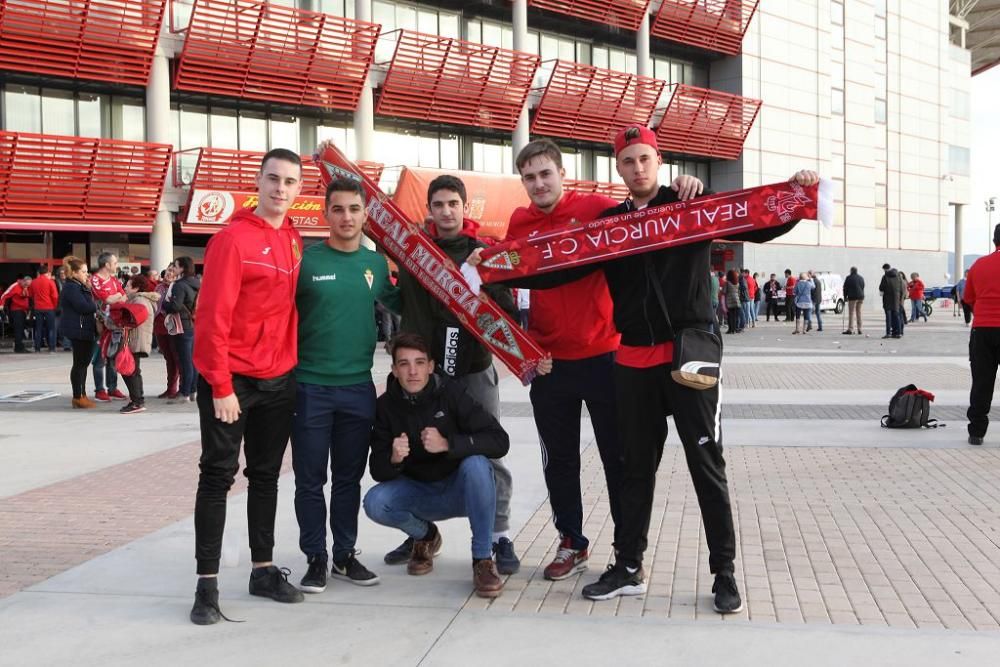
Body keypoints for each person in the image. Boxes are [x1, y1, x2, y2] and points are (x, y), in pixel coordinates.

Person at [473, 125, 819, 613]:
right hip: (632, 358)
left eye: (644, 160)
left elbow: (755, 221)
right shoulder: (608, 225)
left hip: (690, 352)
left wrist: (797, 192)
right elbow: (556, 267)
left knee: (706, 466)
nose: (637, 169)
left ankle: (724, 573)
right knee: (634, 469)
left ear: (658, 162)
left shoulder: (689, 206)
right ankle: (628, 566)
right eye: (628, 162)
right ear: (618, 168)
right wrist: (490, 263)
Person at [383, 174, 527, 575]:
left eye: (453, 204)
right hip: (421, 373)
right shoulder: (411, 250)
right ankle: (420, 535)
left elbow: (505, 310)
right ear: (429, 209)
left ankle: (499, 536)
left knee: (486, 451)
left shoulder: (482, 253)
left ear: (465, 209)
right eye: (438, 205)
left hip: (472, 371)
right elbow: (397, 295)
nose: (446, 211)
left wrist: (483, 288)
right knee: (414, 447)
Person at [189, 148, 306, 626]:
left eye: (290, 182)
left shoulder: (295, 240)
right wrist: (219, 384)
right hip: (231, 380)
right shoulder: (232, 240)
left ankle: (262, 570)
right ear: (258, 183)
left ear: (299, 190)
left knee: (265, 476)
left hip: (279, 379)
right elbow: (211, 316)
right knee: (217, 476)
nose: (281, 188)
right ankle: (206, 585)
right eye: (273, 179)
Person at [499, 138, 626, 582]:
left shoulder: (597, 207)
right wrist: (526, 345)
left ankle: (627, 550)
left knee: (618, 457)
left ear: (562, 174)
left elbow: (650, 221)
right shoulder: (519, 220)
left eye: (544, 174)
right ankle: (572, 542)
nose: (538, 184)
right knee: (560, 460)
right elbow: (507, 282)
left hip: (605, 355)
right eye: (529, 178)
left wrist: (684, 187)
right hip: (550, 364)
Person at [291, 175, 400, 593]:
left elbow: (402, 304)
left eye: (354, 209)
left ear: (365, 214)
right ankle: (315, 556)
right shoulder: (307, 261)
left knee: (348, 480)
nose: (347, 217)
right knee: (309, 480)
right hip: (309, 388)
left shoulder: (373, 264)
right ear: (326, 214)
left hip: (358, 389)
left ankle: (343, 555)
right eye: (338, 209)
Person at [364, 333, 511, 598]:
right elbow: (377, 470)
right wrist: (394, 458)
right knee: (375, 502)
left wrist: (448, 444)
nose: (412, 372)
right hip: (420, 494)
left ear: (431, 366)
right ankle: (426, 536)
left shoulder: (451, 393)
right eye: (404, 364)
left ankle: (482, 560)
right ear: (394, 370)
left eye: (419, 363)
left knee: (477, 464)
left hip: (461, 492)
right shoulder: (385, 406)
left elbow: (499, 441)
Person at [965, 224, 1000, 446]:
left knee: (982, 381)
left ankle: (977, 432)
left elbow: (968, 297)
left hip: (983, 330)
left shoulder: (979, 265)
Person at [57, 257, 98, 408]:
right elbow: (84, 307)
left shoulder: (78, 285)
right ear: (74, 273)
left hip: (83, 328)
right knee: (80, 364)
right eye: (83, 272)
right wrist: (95, 305)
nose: (87, 275)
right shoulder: (72, 287)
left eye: (87, 271)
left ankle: (82, 394)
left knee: (83, 363)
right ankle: (77, 396)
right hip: (78, 329)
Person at [119, 274, 160, 415]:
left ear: (136, 288)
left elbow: (132, 319)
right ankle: (136, 399)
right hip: (135, 339)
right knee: (132, 370)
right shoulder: (138, 299)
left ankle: (137, 402)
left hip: (136, 340)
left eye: (128, 285)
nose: (125, 287)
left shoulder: (140, 301)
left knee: (130, 371)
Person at [89, 253, 127, 401]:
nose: (117, 266)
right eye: (115, 263)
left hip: (116, 323)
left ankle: (112, 388)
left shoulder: (113, 280)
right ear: (107, 265)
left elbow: (124, 296)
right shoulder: (95, 280)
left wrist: (116, 297)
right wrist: (116, 296)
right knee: (100, 358)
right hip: (101, 323)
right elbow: (108, 299)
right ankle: (100, 390)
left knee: (113, 357)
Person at [164, 256, 201, 402]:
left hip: (183, 325)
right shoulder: (197, 283)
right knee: (193, 361)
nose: (174, 268)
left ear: (182, 268)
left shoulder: (179, 285)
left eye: (176, 266)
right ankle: (193, 391)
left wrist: (165, 304)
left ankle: (185, 392)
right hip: (195, 323)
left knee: (185, 361)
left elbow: (175, 306)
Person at [153, 266, 180, 398]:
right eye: (168, 271)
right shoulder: (158, 287)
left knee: (177, 358)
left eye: (172, 272)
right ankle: (171, 388)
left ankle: (182, 388)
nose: (169, 273)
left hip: (172, 327)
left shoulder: (177, 288)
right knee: (168, 358)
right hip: (159, 326)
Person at [29, 265, 59, 352]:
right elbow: (55, 296)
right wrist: (55, 306)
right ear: (47, 272)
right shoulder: (50, 282)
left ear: (39, 272)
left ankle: (37, 348)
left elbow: (31, 295)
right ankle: (52, 348)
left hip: (38, 307)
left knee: (38, 328)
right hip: (49, 307)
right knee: (51, 328)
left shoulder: (34, 282)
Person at [0, 274, 32, 353]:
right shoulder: (15, 286)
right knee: (18, 329)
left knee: (20, 330)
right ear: (23, 281)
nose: (27, 286)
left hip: (23, 311)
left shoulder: (26, 287)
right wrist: (1, 305)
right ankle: (19, 348)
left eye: (28, 285)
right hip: (17, 311)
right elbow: (4, 295)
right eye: (26, 284)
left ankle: (19, 346)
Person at [879, 263, 903, 338]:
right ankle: (898, 333)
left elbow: (881, 288)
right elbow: (902, 288)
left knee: (888, 317)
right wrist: (900, 298)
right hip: (896, 299)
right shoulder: (898, 276)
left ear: (885, 269)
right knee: (897, 316)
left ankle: (888, 333)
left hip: (887, 299)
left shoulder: (885, 276)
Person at [842, 266, 865, 335]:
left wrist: (845, 297)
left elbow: (845, 288)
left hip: (852, 297)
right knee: (859, 313)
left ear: (851, 271)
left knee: (851, 313)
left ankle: (850, 329)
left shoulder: (849, 278)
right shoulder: (861, 278)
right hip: (861, 297)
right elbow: (863, 286)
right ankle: (860, 329)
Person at [725, 269, 741, 333]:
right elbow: (738, 292)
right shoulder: (737, 283)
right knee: (735, 316)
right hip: (737, 301)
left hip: (730, 301)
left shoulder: (727, 283)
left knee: (730, 316)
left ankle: (730, 329)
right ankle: (734, 329)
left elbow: (724, 291)